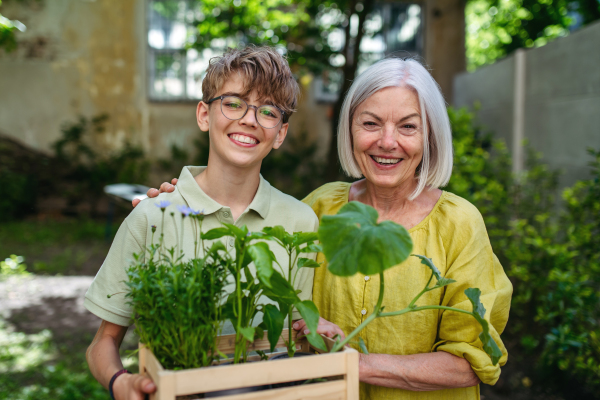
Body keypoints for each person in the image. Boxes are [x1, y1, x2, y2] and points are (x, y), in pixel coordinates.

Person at [142, 57, 512, 400]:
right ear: (350, 129)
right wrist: (179, 203)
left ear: (430, 137)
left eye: (407, 126)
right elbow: (248, 247)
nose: (386, 141)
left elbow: (469, 362)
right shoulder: (319, 208)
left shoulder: (459, 223)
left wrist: (355, 362)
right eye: (370, 123)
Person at [85, 46, 319, 400]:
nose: (249, 119)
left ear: (281, 134)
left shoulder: (300, 223)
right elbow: (103, 342)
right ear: (204, 115)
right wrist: (122, 383)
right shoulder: (151, 217)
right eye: (234, 103)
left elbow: (295, 343)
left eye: (268, 111)